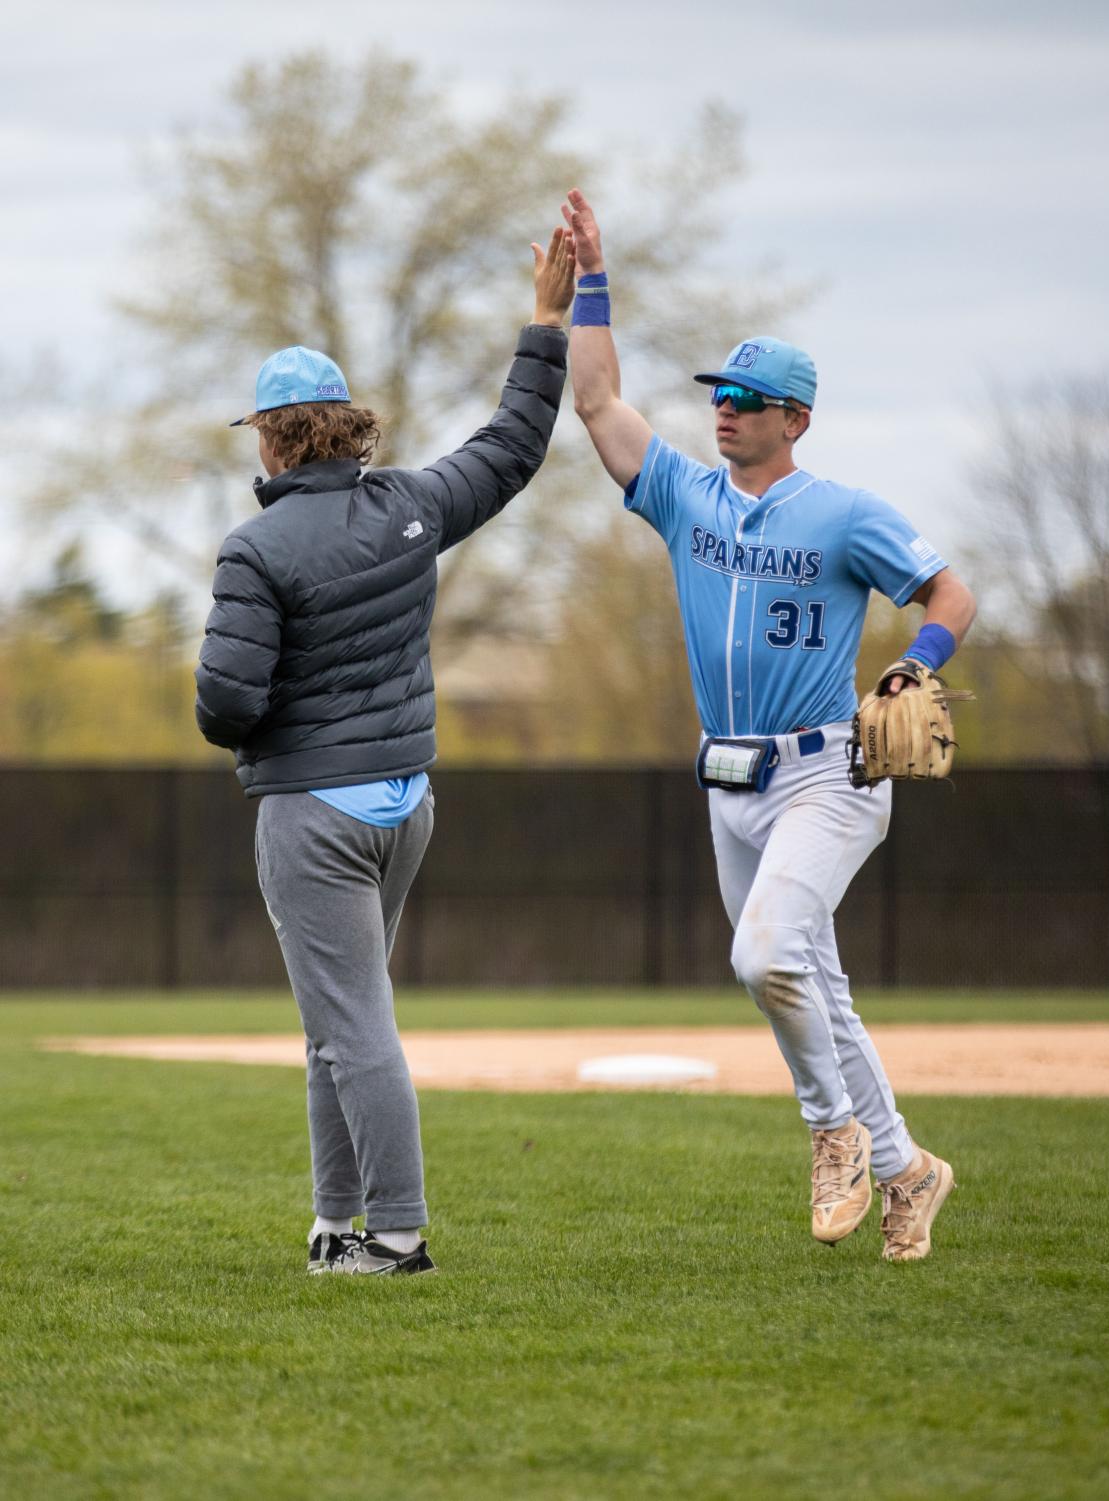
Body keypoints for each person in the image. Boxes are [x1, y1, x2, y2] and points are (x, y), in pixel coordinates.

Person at [562, 188, 976, 1262]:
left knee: (765, 959)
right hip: (728, 785)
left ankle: (831, 1132)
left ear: (795, 418)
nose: (726, 408)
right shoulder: (687, 496)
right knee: (813, 986)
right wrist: (590, 281)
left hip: (825, 774)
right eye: (722, 393)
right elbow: (600, 400)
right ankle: (908, 1171)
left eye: (750, 396)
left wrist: (912, 665)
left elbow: (950, 596)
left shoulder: (845, 512)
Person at [194, 228, 575, 1275]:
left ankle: (397, 1237)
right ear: (346, 430)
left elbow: (225, 704)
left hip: (313, 813)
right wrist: (546, 324)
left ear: (271, 441)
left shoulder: (255, 547)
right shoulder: (408, 508)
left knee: (353, 1024)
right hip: (405, 805)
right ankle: (335, 1221)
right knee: (338, 1019)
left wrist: (262, 722)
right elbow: (511, 447)